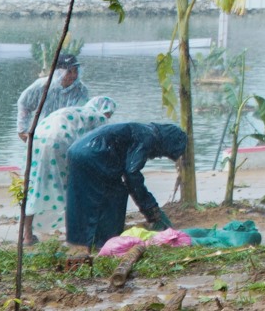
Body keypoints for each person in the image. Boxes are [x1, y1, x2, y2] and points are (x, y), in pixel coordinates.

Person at [64, 121, 186, 253]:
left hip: (76, 151)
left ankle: (79, 241)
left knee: (81, 197)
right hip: (93, 155)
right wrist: (149, 206)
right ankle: (106, 240)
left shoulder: (143, 130)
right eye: (164, 153)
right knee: (115, 194)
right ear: (166, 142)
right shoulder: (148, 137)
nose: (159, 155)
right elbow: (132, 172)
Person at [22, 96, 117, 246]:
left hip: (36, 138)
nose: (108, 118)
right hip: (59, 142)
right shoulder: (99, 118)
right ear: (105, 110)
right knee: (72, 188)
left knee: (35, 185)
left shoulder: (77, 111)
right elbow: (100, 150)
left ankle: (27, 236)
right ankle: (72, 237)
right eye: (109, 114)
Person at [15, 54, 88, 143]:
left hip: (70, 137)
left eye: (75, 71)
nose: (73, 75)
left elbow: (83, 113)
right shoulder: (42, 85)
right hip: (43, 136)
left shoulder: (81, 90)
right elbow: (24, 104)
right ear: (58, 72)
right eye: (69, 71)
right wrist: (22, 130)